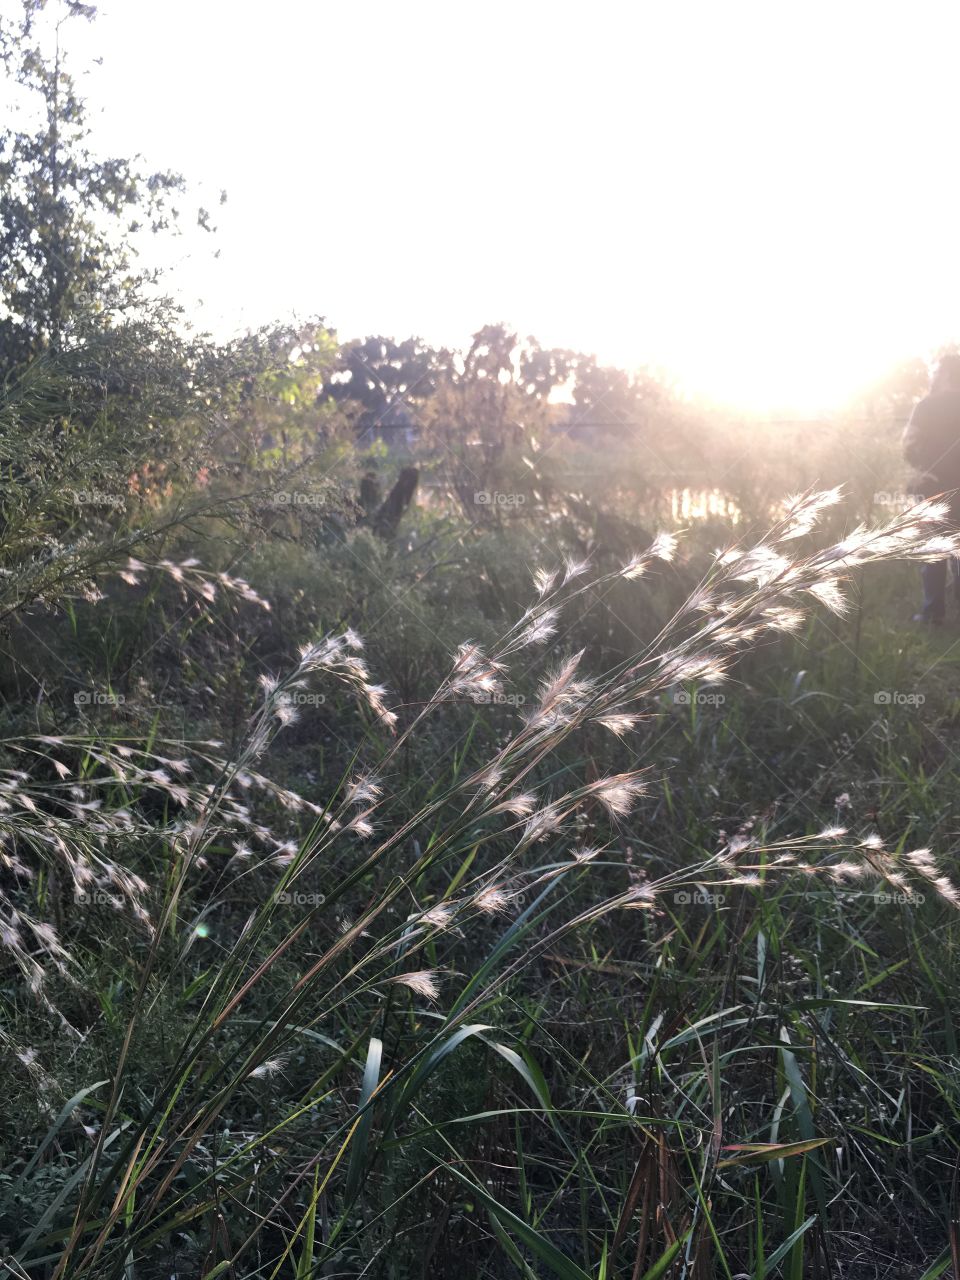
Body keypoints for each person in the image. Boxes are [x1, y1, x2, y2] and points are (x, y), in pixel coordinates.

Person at [902, 353, 960, 623]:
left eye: (937, 372)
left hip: (932, 487)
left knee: (935, 549)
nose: (932, 376)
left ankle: (932, 614)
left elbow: (909, 445)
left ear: (947, 374)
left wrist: (924, 467)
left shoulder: (926, 406)